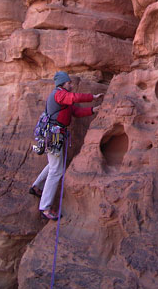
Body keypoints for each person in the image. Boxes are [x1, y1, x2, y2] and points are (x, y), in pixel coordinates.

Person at [29, 71, 103, 220]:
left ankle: (37, 186)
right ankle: (45, 207)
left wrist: (93, 110)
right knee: (56, 170)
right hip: (54, 134)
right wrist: (92, 97)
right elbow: (73, 98)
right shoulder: (59, 94)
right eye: (69, 82)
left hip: (55, 134)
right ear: (62, 84)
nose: (71, 84)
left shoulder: (63, 98)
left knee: (53, 164)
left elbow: (75, 111)